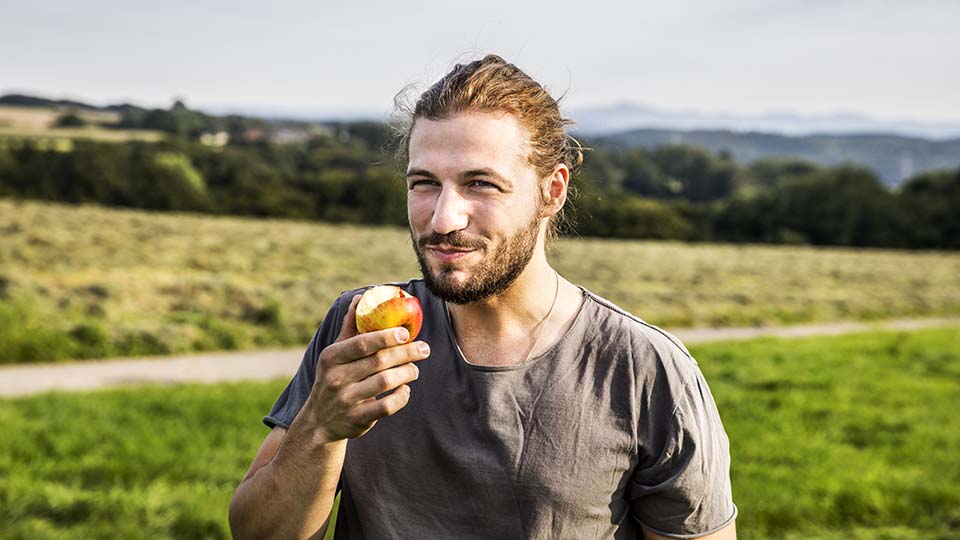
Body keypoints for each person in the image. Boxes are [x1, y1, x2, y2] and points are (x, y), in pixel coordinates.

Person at [229, 54, 737, 540]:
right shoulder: (360, 328)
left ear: (552, 192)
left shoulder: (646, 370)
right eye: (424, 183)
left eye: (482, 184)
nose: (443, 218)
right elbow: (257, 533)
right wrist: (319, 428)